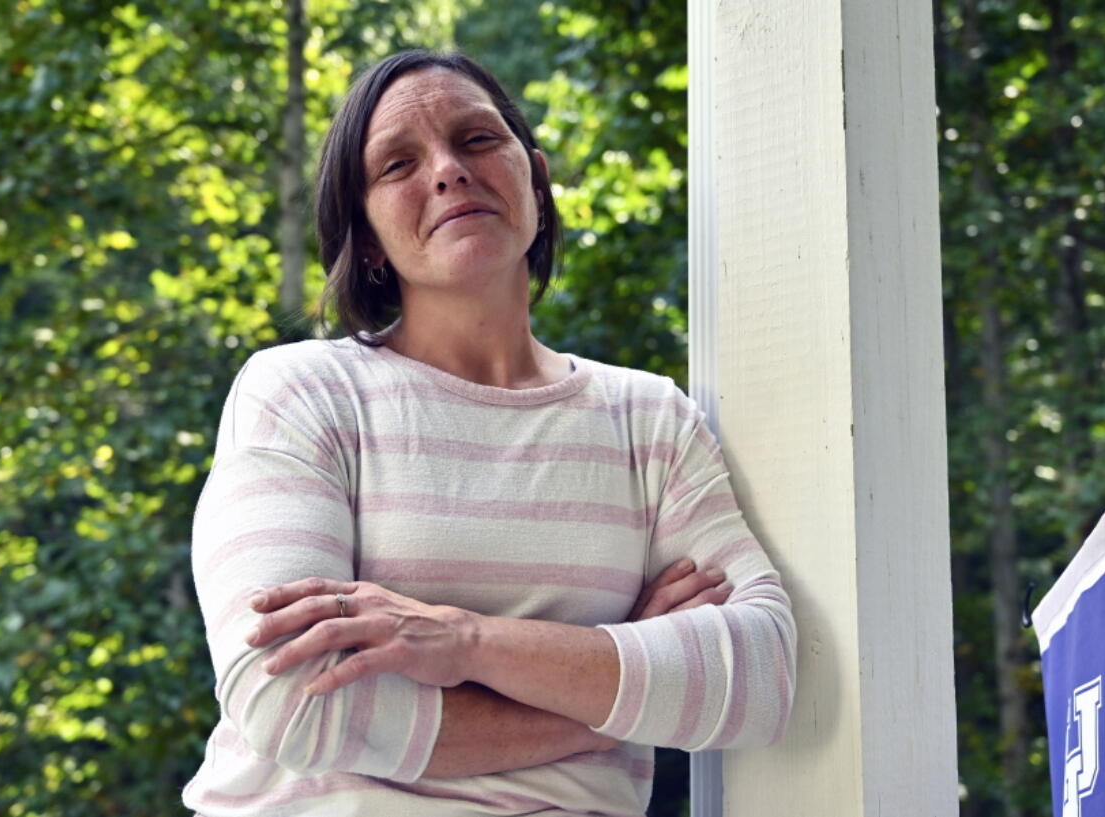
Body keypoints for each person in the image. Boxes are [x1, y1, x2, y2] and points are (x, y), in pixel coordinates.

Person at [181, 49, 796, 817]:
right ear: (366, 236)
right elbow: (291, 703)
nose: (447, 171)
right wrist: (616, 693)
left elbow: (760, 674)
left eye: (476, 141)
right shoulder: (303, 393)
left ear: (535, 179)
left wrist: (466, 641)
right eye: (398, 164)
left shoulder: (650, 419)